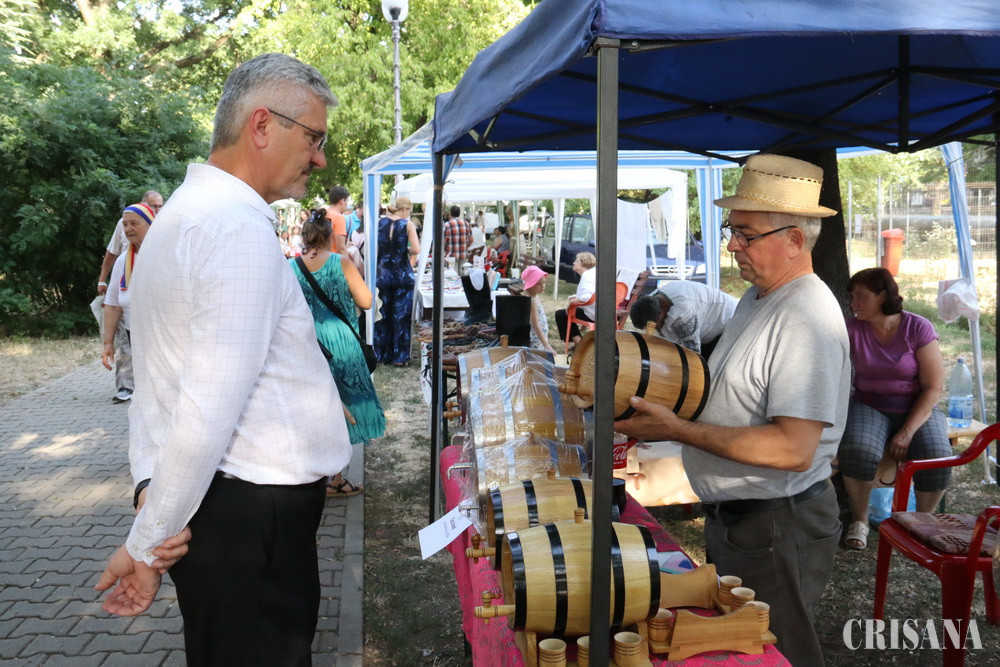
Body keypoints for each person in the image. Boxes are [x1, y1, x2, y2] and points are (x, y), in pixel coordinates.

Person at [95, 53, 353, 665]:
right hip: (251, 515)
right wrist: (147, 538)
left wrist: (150, 493)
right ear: (261, 125)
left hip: (224, 508)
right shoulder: (234, 228)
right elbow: (206, 408)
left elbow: (157, 384)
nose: (319, 158)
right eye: (313, 138)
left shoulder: (184, 217)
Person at [615, 154, 850, 667]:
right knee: (748, 646)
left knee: (779, 652)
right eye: (732, 230)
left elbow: (793, 449)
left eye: (747, 234)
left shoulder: (805, 316)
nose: (731, 245)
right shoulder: (758, 298)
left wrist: (679, 430)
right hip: (746, 522)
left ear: (795, 239)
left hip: (777, 525)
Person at [838, 267, 949, 550]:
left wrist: (907, 432)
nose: (853, 303)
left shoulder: (918, 327)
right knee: (857, 450)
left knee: (936, 453)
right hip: (870, 403)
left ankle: (923, 522)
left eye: (861, 296)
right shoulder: (851, 328)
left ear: (883, 296)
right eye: (852, 297)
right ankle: (860, 520)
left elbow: (933, 386)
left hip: (917, 406)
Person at [291, 211, 386, 497]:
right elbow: (366, 302)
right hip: (342, 343)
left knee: (317, 407)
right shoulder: (340, 262)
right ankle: (336, 478)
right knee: (346, 405)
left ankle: (317, 474)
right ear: (330, 237)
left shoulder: (291, 266)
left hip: (308, 344)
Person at [97, 190, 164, 403]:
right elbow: (113, 304)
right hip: (133, 332)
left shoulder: (166, 255)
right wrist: (108, 343)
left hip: (165, 336)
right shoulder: (123, 261)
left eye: (134, 223)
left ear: (151, 225)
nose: (127, 229)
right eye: (125, 224)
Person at [629, 281, 738, 358]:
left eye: (654, 326)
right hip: (706, 320)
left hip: (728, 322)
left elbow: (693, 354)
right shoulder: (651, 302)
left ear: (661, 313)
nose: (652, 329)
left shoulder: (683, 314)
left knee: (709, 367)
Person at [373, 196, 420, 366]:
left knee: (382, 315)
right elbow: (416, 249)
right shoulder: (407, 224)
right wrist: (404, 250)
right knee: (401, 317)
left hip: (383, 274)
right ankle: (399, 357)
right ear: (405, 209)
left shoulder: (379, 223)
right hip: (402, 274)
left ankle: (381, 354)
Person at [553, 252, 596, 348]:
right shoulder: (592, 274)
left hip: (591, 313)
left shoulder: (586, 276)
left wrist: (572, 302)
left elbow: (587, 297)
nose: (573, 263)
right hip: (596, 310)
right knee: (566, 314)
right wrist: (576, 296)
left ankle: (581, 345)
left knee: (561, 315)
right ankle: (579, 343)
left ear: (583, 264)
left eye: (576, 261)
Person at [520, 265, 557, 354]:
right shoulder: (532, 300)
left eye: (544, 283)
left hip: (541, 338)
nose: (543, 286)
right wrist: (547, 345)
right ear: (531, 286)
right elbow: (535, 325)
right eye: (539, 284)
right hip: (537, 339)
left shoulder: (535, 296)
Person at [325, 185, 350, 253]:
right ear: (341, 201)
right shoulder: (339, 217)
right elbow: (341, 249)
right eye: (347, 201)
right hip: (333, 257)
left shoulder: (323, 213)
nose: (347, 204)